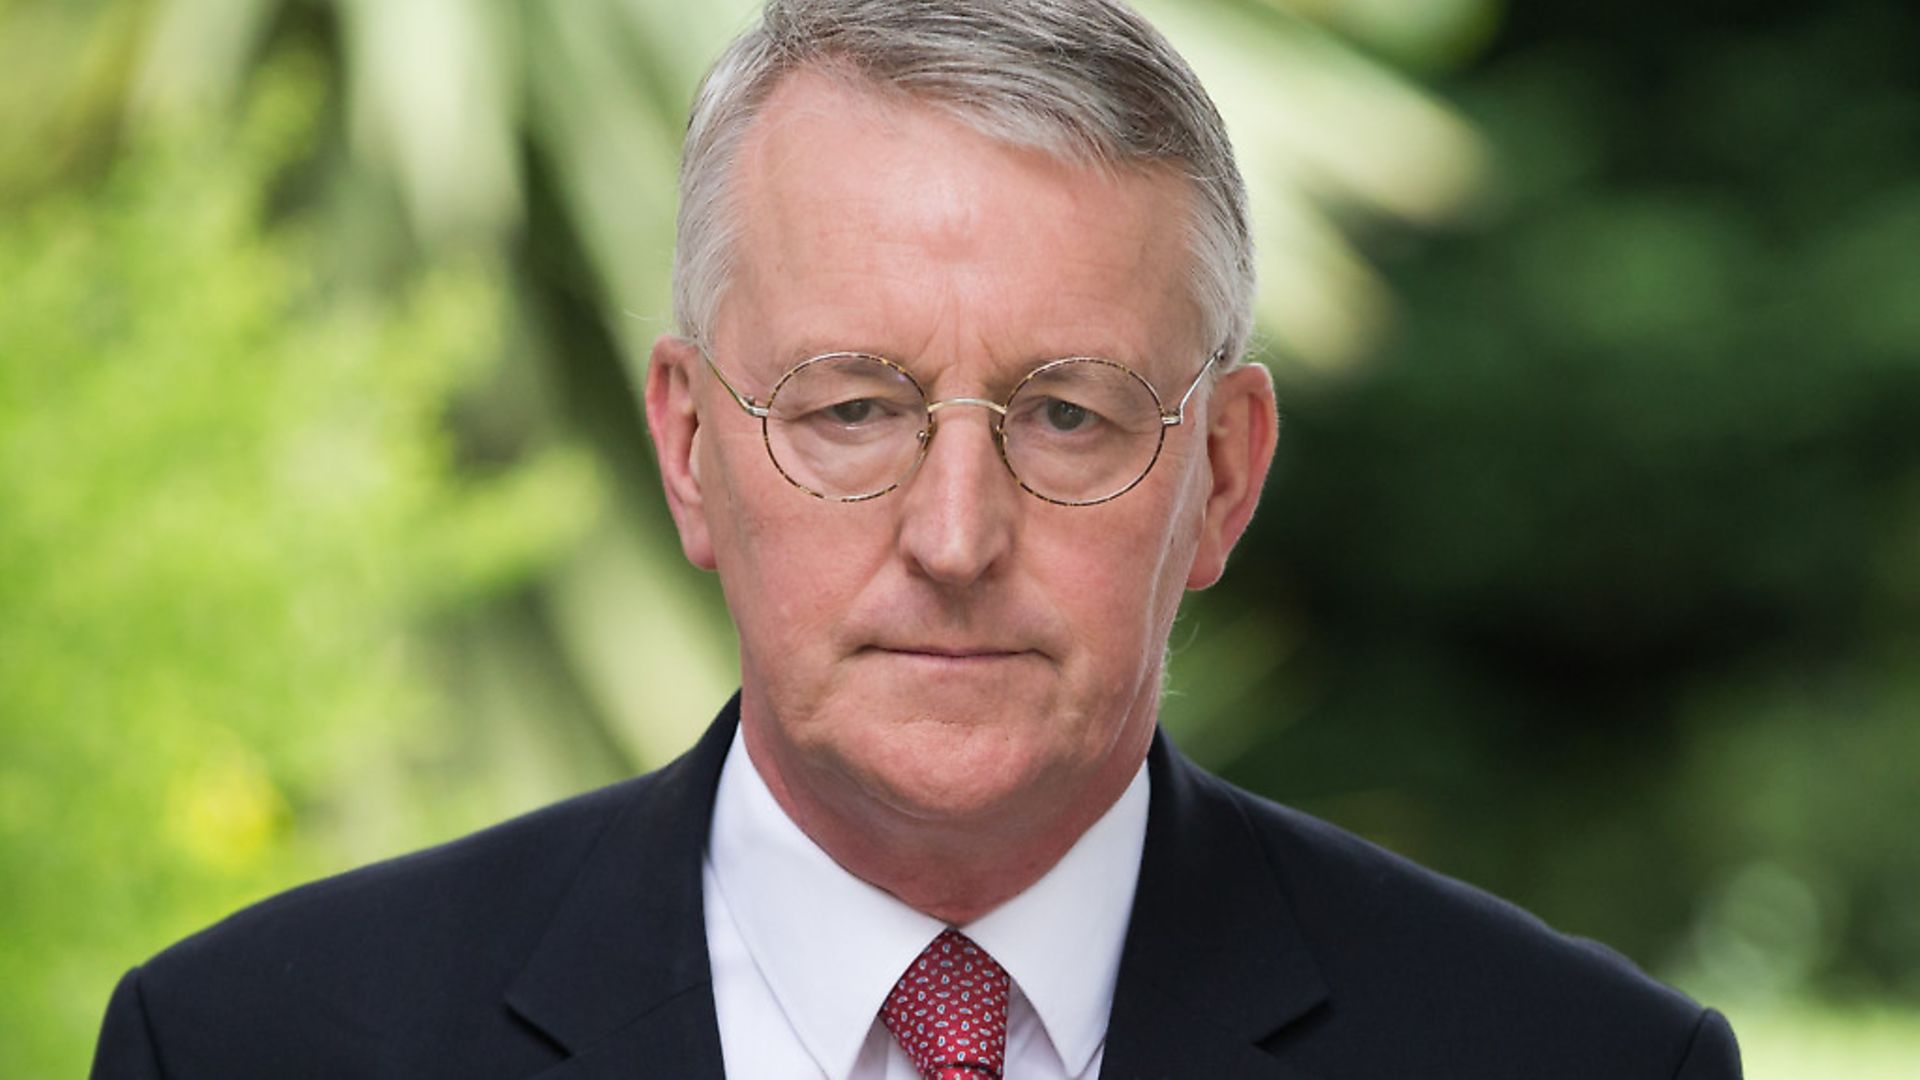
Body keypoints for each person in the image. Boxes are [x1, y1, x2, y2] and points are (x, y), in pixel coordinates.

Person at [92, 1, 1742, 1077]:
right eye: (852, 410)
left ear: (1226, 477)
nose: (957, 535)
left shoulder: (1573, 1063)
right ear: (688, 449)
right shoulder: (255, 1045)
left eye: (1072, 416)